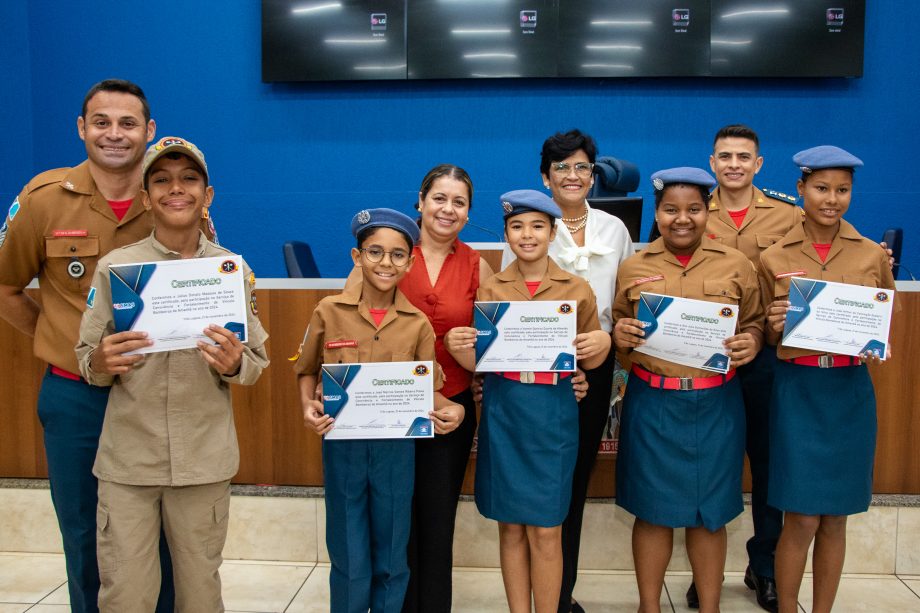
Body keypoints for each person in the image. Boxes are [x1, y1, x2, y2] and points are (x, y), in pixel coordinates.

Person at [0, 78, 182, 613]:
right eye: (101, 122)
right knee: (83, 531)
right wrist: (68, 346)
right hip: (76, 398)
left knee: (161, 533)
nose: (114, 134)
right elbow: (7, 289)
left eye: (128, 123)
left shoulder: (173, 199)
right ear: (82, 128)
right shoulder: (43, 200)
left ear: (149, 131)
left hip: (153, 398)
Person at [72, 136, 268, 611]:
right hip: (129, 463)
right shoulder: (118, 269)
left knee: (200, 593)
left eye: (188, 179)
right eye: (161, 179)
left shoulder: (230, 271)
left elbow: (256, 361)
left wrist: (234, 362)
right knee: (126, 594)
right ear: (146, 198)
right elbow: (85, 357)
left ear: (207, 195)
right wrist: (99, 362)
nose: (174, 189)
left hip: (204, 459)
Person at [295, 208, 464, 613]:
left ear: (410, 262)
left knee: (391, 554)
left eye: (397, 255)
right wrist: (308, 405)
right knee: (349, 553)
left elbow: (426, 391)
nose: (386, 263)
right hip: (344, 450)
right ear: (357, 258)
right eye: (374, 252)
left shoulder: (417, 324)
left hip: (396, 453)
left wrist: (450, 411)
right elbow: (305, 371)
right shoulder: (328, 311)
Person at [450, 189, 610, 613]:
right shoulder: (490, 289)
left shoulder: (577, 289)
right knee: (511, 528)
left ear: (553, 231)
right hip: (505, 414)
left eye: (538, 226)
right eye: (517, 226)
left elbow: (591, 356)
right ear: (506, 233)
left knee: (546, 529)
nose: (527, 235)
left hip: (554, 417)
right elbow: (480, 357)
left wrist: (597, 352)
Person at [612, 168, 764, 613]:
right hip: (652, 402)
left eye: (694, 209)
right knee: (651, 510)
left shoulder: (736, 265)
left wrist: (751, 340)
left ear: (707, 211)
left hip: (717, 403)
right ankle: (648, 606)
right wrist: (622, 332)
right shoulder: (633, 267)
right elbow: (620, 325)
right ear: (657, 214)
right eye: (671, 209)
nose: (683, 218)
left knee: (709, 514)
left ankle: (711, 607)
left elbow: (753, 322)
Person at [758, 146, 895, 613]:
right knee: (799, 518)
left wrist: (876, 336)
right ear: (801, 189)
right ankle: (788, 607)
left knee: (835, 518)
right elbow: (758, 327)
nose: (831, 199)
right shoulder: (774, 256)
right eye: (821, 188)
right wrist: (774, 324)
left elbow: (884, 320)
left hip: (848, 393)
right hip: (798, 391)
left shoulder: (873, 255)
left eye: (842, 190)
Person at [502, 129, 633, 613]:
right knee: (539, 481)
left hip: (592, 368)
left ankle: (561, 594)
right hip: (533, 377)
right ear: (545, 177)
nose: (572, 176)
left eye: (582, 167)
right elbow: (502, 306)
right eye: (562, 168)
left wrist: (608, 338)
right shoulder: (527, 226)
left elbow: (627, 300)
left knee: (573, 480)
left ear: (593, 175)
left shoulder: (615, 230)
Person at [680, 124, 801, 612]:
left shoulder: (789, 215)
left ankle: (765, 567)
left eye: (743, 156)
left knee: (770, 467)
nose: (733, 164)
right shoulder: (687, 212)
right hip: (706, 362)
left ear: (759, 164)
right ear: (712, 163)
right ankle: (703, 575)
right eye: (724, 156)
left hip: (769, 359)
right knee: (709, 466)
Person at [399, 165, 492, 612]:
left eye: (459, 202)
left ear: (469, 213)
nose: (447, 209)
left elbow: (496, 346)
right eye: (439, 198)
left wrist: (470, 357)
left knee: (437, 522)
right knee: (394, 520)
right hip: (389, 406)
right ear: (419, 200)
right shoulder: (388, 252)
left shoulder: (478, 264)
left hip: (449, 410)